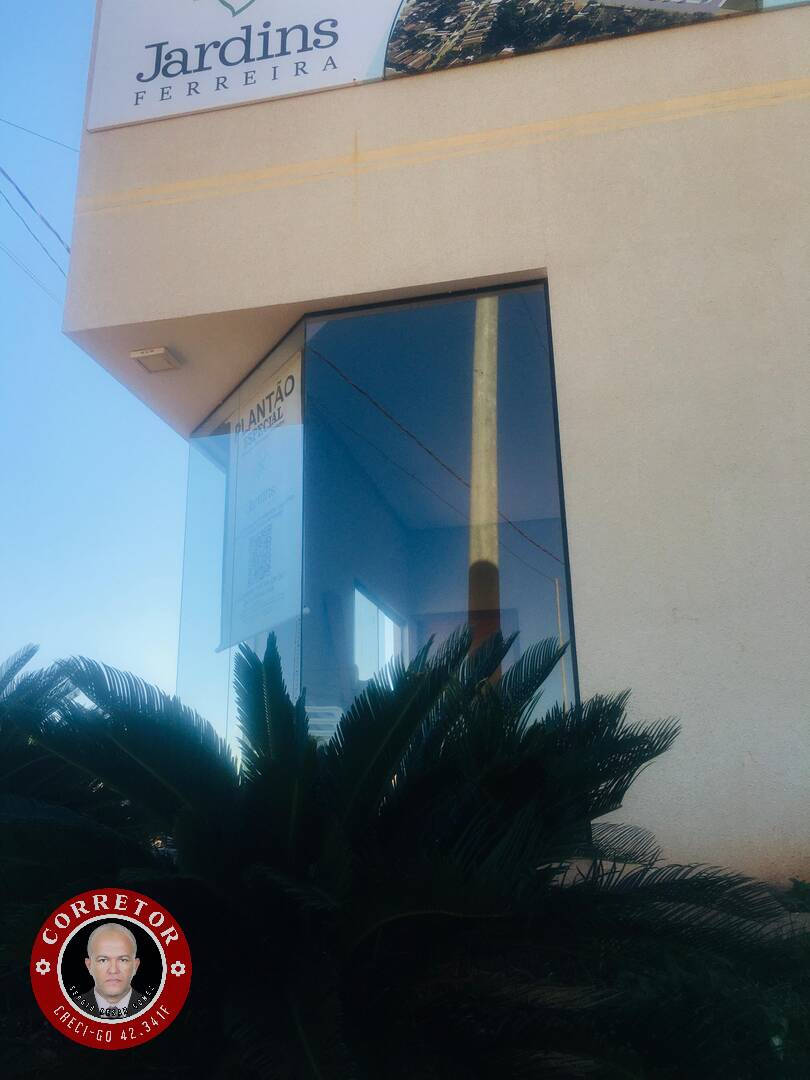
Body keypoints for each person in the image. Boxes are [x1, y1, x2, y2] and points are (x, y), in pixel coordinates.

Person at [70, 922, 156, 1018]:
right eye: (103, 960)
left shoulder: (154, 1009)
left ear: (135, 966)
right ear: (89, 966)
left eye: (123, 960)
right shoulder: (70, 1009)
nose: (113, 970)